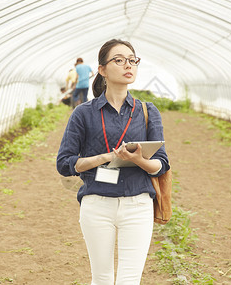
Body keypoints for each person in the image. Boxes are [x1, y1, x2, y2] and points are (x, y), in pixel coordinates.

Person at [56, 39, 170, 284]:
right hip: (97, 204)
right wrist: (106, 158)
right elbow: (64, 163)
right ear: (102, 69)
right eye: (119, 60)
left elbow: (161, 163)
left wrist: (139, 160)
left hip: (137, 204)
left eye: (132, 60)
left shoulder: (147, 111)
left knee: (130, 280)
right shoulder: (84, 113)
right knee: (102, 278)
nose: (128, 65)